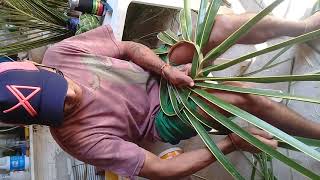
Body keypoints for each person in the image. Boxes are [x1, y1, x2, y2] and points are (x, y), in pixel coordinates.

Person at [1, 12, 320, 180]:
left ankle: (302, 26)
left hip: (157, 74)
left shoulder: (62, 52)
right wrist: (231, 143)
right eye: (58, 107)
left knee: (219, 25)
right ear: (42, 121)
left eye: (58, 84)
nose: (72, 94)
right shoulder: (76, 140)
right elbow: (159, 169)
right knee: (242, 97)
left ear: (35, 65)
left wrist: (165, 70)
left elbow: (126, 48)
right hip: (159, 118)